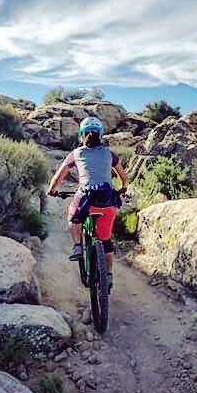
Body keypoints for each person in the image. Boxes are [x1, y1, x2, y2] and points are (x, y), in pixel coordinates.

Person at [47, 116, 128, 288]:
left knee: (73, 216)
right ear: (101, 134)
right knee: (105, 240)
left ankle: (77, 246)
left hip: (86, 198)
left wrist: (52, 190)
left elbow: (57, 177)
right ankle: (108, 274)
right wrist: (123, 188)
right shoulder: (109, 154)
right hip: (107, 199)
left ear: (81, 135)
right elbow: (123, 176)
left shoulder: (76, 153)